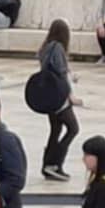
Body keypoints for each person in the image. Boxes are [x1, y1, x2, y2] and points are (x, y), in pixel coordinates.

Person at [35, 21, 80, 180]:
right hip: (59, 97)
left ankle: (47, 164)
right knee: (73, 129)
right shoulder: (58, 48)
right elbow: (60, 74)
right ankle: (55, 163)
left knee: (55, 130)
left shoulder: (46, 47)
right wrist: (70, 96)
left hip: (48, 95)